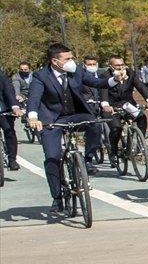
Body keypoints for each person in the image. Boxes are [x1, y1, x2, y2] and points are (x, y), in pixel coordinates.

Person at [25, 43, 115, 210]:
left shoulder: (77, 71)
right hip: (51, 119)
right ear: (55, 61)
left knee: (95, 125)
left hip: (76, 113)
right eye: (67, 59)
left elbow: (97, 82)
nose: (72, 61)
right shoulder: (40, 76)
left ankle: (87, 160)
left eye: (72, 57)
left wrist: (114, 79)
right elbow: (34, 98)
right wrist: (33, 117)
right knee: (52, 157)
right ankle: (57, 197)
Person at [101, 54, 148, 164]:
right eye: (117, 65)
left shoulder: (130, 73)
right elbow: (103, 91)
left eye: (122, 65)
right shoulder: (105, 76)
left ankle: (139, 146)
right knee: (116, 128)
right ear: (110, 66)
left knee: (142, 117)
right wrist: (105, 105)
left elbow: (140, 86)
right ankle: (113, 152)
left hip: (128, 105)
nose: (120, 67)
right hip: (112, 107)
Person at [0, 68, 22, 170]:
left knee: (9, 131)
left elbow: (8, 91)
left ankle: (12, 160)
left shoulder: (2, 76)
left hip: (3, 110)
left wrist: (15, 107)